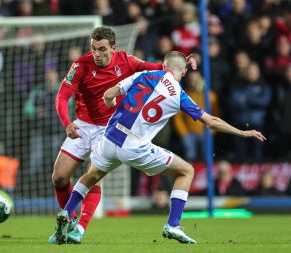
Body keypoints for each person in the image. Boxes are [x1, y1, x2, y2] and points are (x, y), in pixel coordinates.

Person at [52, 51, 266, 245]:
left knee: (92, 175)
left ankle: (67, 212)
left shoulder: (143, 76)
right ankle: (173, 225)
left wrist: (110, 104)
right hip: (135, 146)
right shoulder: (179, 94)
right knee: (186, 171)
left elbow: (109, 94)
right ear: (182, 71)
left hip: (110, 139)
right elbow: (211, 121)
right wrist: (242, 132)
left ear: (163, 65)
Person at [49, 27, 197, 244]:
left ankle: (79, 229)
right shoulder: (81, 65)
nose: (96, 54)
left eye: (101, 49)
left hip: (111, 128)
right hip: (82, 125)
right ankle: (69, 220)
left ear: (113, 48)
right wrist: (67, 123)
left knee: (94, 176)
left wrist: (184, 63)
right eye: (93, 49)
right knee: (59, 177)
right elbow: (62, 97)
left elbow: (159, 69)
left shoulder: (126, 61)